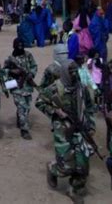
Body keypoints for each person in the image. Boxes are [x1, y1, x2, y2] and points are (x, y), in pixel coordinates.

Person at [36, 60, 96, 204]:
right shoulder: (55, 88)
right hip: (63, 129)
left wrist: (91, 125)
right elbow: (39, 102)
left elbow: (89, 106)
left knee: (83, 163)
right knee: (66, 166)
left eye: (76, 72)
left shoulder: (81, 88)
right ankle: (53, 168)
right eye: (71, 72)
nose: (74, 75)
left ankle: (74, 189)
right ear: (64, 73)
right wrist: (55, 112)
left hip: (81, 127)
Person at [3, 38, 38, 140]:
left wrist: (31, 74)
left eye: (22, 46)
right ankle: (24, 130)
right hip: (16, 87)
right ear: (14, 46)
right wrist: (12, 72)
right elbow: (3, 72)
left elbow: (34, 66)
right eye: (18, 46)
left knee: (27, 107)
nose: (21, 48)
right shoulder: (10, 59)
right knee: (22, 108)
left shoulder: (28, 55)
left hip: (27, 87)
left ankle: (20, 119)